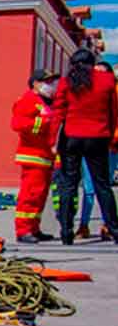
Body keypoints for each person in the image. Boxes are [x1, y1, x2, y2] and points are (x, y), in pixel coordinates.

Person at [51, 49, 118, 245]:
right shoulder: (106, 79)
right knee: (102, 185)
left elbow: (58, 112)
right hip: (98, 136)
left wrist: (52, 142)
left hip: (71, 137)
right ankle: (114, 229)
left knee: (69, 185)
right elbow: (113, 111)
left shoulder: (66, 81)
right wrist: (111, 136)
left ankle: (66, 231)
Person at [10, 69, 59, 244]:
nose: (52, 85)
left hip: (45, 156)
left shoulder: (47, 102)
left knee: (40, 195)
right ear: (36, 84)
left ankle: (34, 228)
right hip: (32, 155)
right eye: (48, 81)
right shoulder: (28, 100)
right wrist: (43, 122)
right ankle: (23, 230)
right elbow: (18, 124)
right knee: (30, 194)